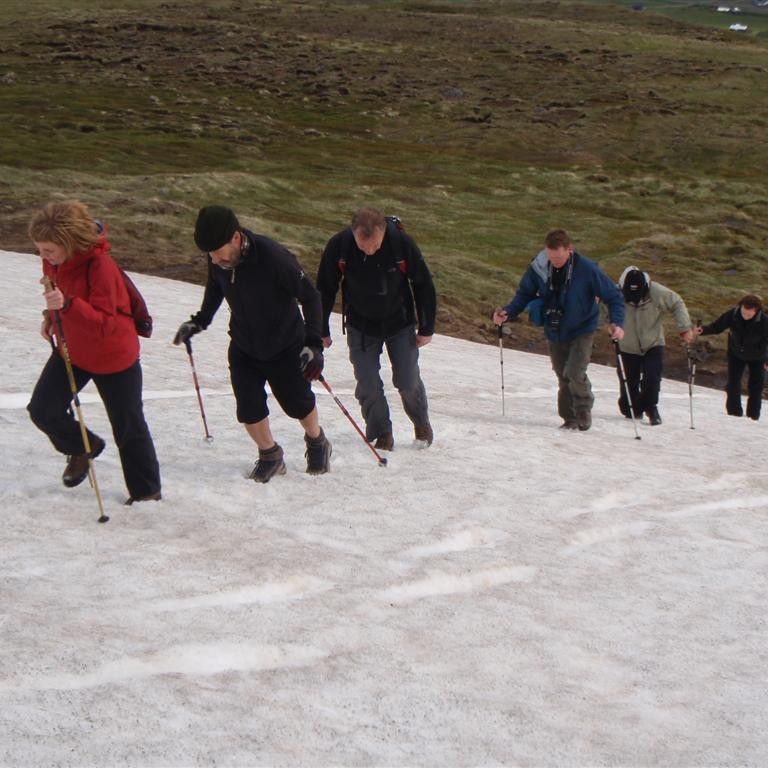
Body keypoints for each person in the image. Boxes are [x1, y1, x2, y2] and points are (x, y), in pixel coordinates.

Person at [174, 205, 331, 482]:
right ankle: (270, 454)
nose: (213, 258)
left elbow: (311, 296)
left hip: (284, 344)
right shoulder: (219, 260)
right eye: (209, 253)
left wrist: (313, 344)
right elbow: (215, 287)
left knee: (297, 403)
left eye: (217, 251)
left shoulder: (273, 258)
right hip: (245, 344)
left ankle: (317, 440)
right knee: (248, 406)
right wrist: (199, 321)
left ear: (236, 238)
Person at [27, 201, 161, 504]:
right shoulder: (54, 261)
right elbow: (56, 293)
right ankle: (82, 446)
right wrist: (51, 317)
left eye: (48, 250)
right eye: (40, 250)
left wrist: (67, 305)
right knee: (43, 410)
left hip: (113, 355)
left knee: (128, 425)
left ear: (69, 243)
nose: (43, 256)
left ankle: (147, 493)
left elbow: (106, 324)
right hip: (73, 349)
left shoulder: (101, 267)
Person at [316, 207, 437, 451]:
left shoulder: (401, 243)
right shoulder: (339, 246)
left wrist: (427, 327)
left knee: (407, 380)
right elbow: (325, 288)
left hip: (399, 322)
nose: (370, 251)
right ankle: (382, 432)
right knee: (367, 383)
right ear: (354, 233)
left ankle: (421, 423)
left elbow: (423, 284)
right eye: (363, 246)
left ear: (383, 232)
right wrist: (320, 328)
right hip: (360, 324)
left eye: (375, 246)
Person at [493, 229, 625, 431]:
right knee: (562, 374)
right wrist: (508, 312)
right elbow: (525, 293)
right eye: (551, 257)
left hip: (582, 327)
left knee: (574, 371)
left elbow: (614, 296)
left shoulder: (587, 269)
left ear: (569, 250)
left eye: (559, 257)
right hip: (554, 327)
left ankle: (583, 409)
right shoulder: (538, 267)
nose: (555, 261)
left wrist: (617, 323)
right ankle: (569, 417)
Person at [616, 266, 694, 425]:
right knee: (629, 388)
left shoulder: (657, 292)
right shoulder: (615, 292)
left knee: (652, 380)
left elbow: (677, 303)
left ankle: (651, 408)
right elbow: (600, 305)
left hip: (653, 343)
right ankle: (632, 407)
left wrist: (685, 328)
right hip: (626, 344)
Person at [694, 294, 768, 421]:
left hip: (758, 356)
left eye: (748, 314)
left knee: (756, 385)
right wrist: (703, 330)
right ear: (740, 307)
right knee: (733, 382)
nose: (745, 316)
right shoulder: (733, 314)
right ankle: (734, 413)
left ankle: (753, 416)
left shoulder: (764, 321)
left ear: (756, 311)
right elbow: (717, 327)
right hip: (736, 353)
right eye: (743, 312)